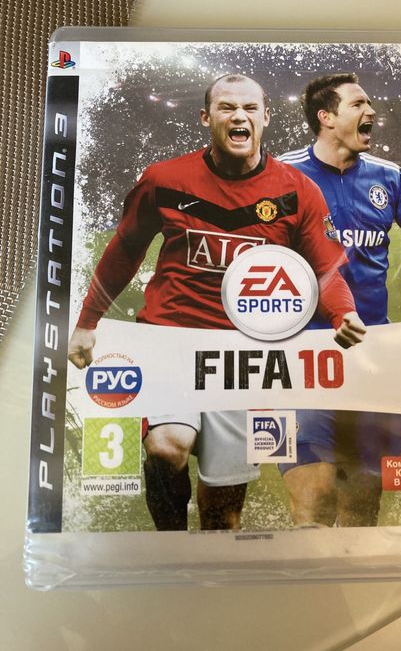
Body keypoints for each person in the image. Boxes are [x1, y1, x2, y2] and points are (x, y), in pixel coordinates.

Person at [67, 73, 366, 531]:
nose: (239, 116)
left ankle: (208, 555)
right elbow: (125, 250)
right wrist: (88, 322)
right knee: (167, 446)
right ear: (207, 118)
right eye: (227, 107)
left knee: (222, 516)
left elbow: (325, 270)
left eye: (249, 108)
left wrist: (343, 312)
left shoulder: (297, 191)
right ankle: (170, 545)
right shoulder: (164, 180)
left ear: (266, 117)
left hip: (246, 356)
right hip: (170, 340)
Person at [279, 72, 401, 527]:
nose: (371, 111)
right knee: (315, 496)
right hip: (304, 353)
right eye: (358, 104)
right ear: (326, 117)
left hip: (373, 353)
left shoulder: (388, 177)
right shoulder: (281, 175)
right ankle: (307, 572)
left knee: (362, 503)